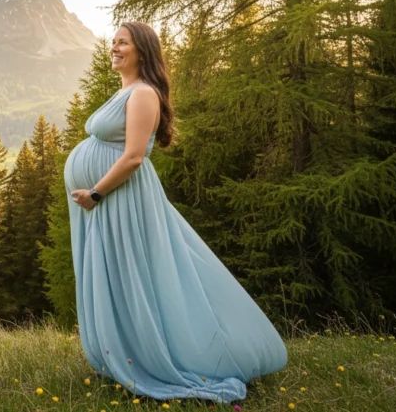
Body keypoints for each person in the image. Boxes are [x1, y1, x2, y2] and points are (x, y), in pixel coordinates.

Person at [64, 22, 287, 403]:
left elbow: (134, 156)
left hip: (120, 199)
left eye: (123, 43)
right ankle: (125, 350)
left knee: (139, 275)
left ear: (143, 52)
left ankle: (171, 356)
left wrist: (97, 193)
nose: (114, 48)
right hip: (105, 201)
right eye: (113, 42)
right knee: (119, 275)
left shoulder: (144, 93)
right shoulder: (126, 90)